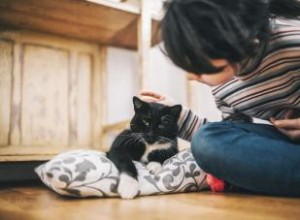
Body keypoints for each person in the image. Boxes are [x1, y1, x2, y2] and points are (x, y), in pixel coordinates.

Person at [139, 0, 300, 196]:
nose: (191, 77)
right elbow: (237, 139)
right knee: (207, 141)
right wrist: (179, 118)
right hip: (289, 147)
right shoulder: (223, 87)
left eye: (197, 66)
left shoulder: (291, 39)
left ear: (228, 40)